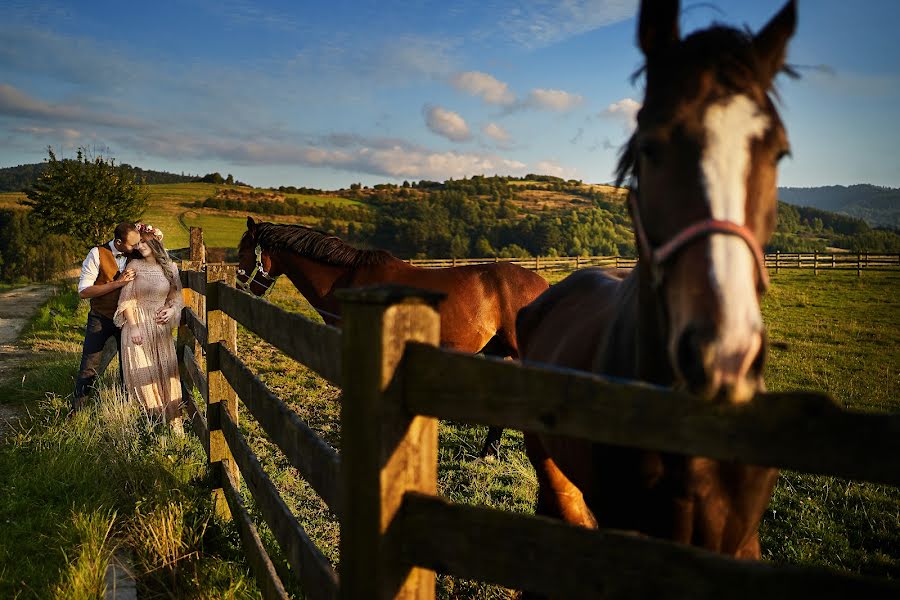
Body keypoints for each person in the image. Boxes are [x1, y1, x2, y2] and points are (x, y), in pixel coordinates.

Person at [113, 223, 185, 431]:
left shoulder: (170, 268)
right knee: (142, 375)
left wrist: (171, 310)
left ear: (155, 241)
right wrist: (133, 327)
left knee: (165, 372)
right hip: (137, 325)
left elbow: (176, 297)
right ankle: (150, 424)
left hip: (160, 328)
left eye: (144, 241)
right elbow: (126, 299)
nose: (140, 245)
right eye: (138, 242)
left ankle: (172, 424)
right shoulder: (134, 265)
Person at [72, 222, 140, 414]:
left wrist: (155, 234)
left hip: (129, 321)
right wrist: (117, 284)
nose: (136, 248)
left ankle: (128, 412)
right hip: (100, 318)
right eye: (132, 245)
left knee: (129, 369)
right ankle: (77, 412)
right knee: (89, 366)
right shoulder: (96, 254)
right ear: (118, 242)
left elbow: (158, 252)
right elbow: (84, 292)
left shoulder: (136, 253)